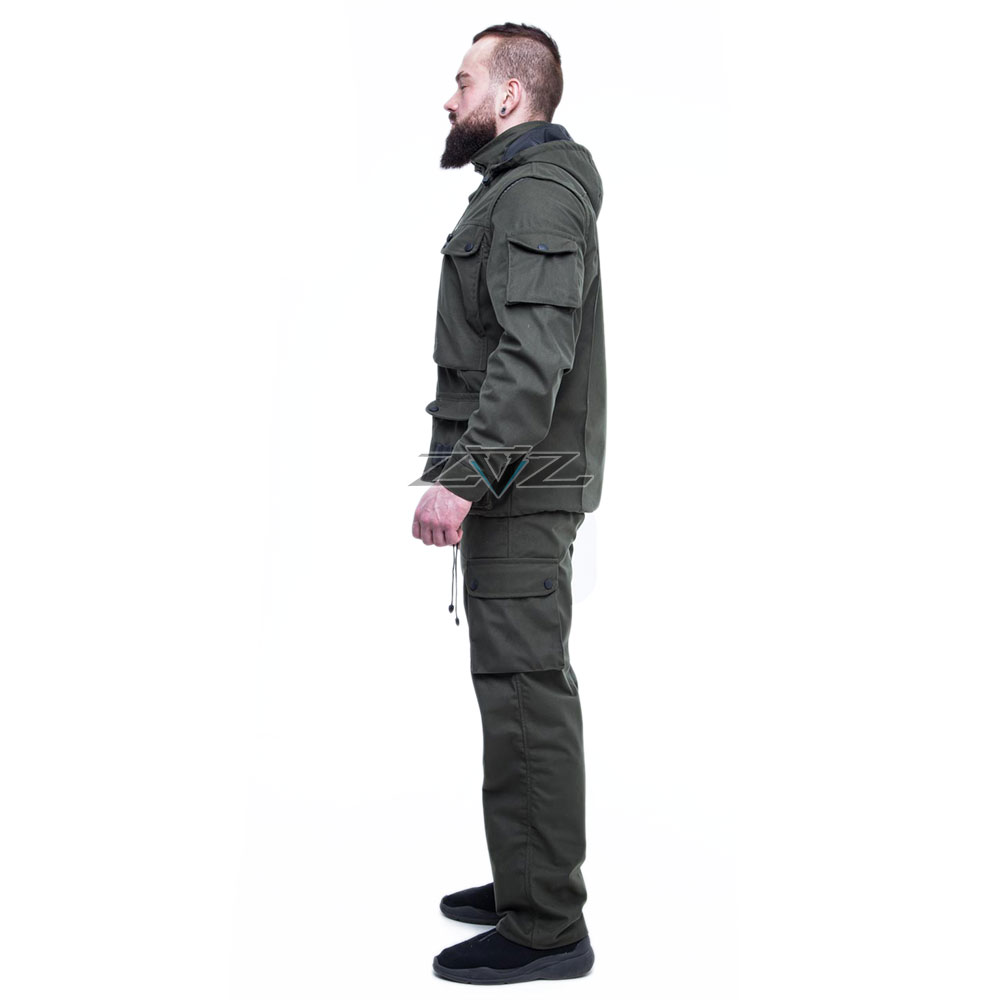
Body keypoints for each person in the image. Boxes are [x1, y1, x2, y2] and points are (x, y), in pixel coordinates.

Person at [410, 22, 606, 986]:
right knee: (516, 693)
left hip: (519, 490)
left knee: (526, 698)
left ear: (510, 97)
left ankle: (546, 929)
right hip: (518, 487)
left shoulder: (534, 195)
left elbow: (532, 361)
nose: (449, 98)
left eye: (463, 81)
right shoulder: (515, 188)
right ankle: (530, 882)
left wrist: (464, 478)